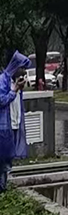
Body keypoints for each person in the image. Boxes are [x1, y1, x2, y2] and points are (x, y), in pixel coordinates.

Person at [0, 51, 30, 193]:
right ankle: (2, 188)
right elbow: (2, 101)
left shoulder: (16, 83)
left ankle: (4, 186)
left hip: (14, 123)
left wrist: (18, 89)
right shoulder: (3, 81)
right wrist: (14, 90)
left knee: (8, 157)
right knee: (3, 158)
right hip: (4, 126)